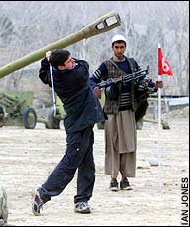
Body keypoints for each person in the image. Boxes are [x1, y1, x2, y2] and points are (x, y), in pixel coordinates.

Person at [32, 49, 104, 215]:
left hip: (84, 121)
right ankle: (44, 193)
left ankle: (82, 200)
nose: (74, 62)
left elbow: (44, 74)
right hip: (78, 123)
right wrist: (53, 59)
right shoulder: (75, 76)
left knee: (87, 161)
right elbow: (84, 65)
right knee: (71, 161)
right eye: (70, 61)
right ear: (61, 67)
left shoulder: (55, 74)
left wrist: (47, 60)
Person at [90, 34, 163, 191]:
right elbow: (92, 81)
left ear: (125, 47)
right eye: (116, 47)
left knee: (128, 145)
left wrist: (154, 85)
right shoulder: (105, 65)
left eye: (122, 47)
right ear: (112, 48)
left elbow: (142, 80)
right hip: (112, 112)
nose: (119, 50)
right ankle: (113, 178)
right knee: (113, 144)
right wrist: (101, 89)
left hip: (128, 110)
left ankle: (125, 178)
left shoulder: (131, 64)